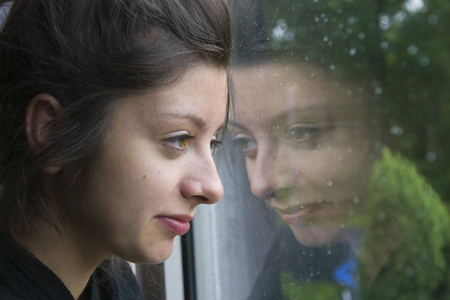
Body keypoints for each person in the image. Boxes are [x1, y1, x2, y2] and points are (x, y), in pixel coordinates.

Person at [0, 0, 231, 299]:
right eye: (179, 138)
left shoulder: (113, 283)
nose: (213, 188)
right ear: (53, 132)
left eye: (213, 142)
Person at [227, 0, 450, 299]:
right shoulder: (295, 257)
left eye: (301, 132)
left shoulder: (434, 251)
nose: (261, 184)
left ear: (387, 125)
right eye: (246, 142)